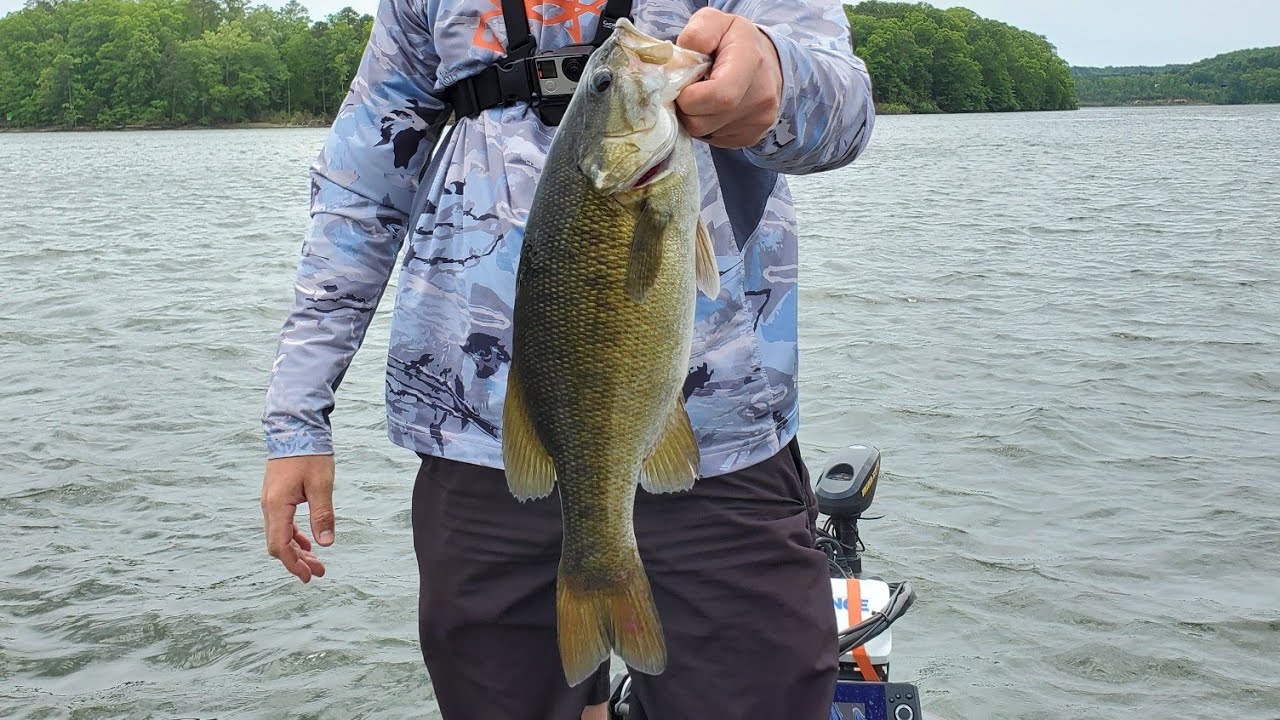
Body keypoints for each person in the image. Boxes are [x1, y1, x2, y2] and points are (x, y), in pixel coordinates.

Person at [260, 0, 875, 717]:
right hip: (481, 430)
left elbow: (847, 117)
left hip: (719, 432)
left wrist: (776, 72)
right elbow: (361, 184)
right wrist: (298, 414)